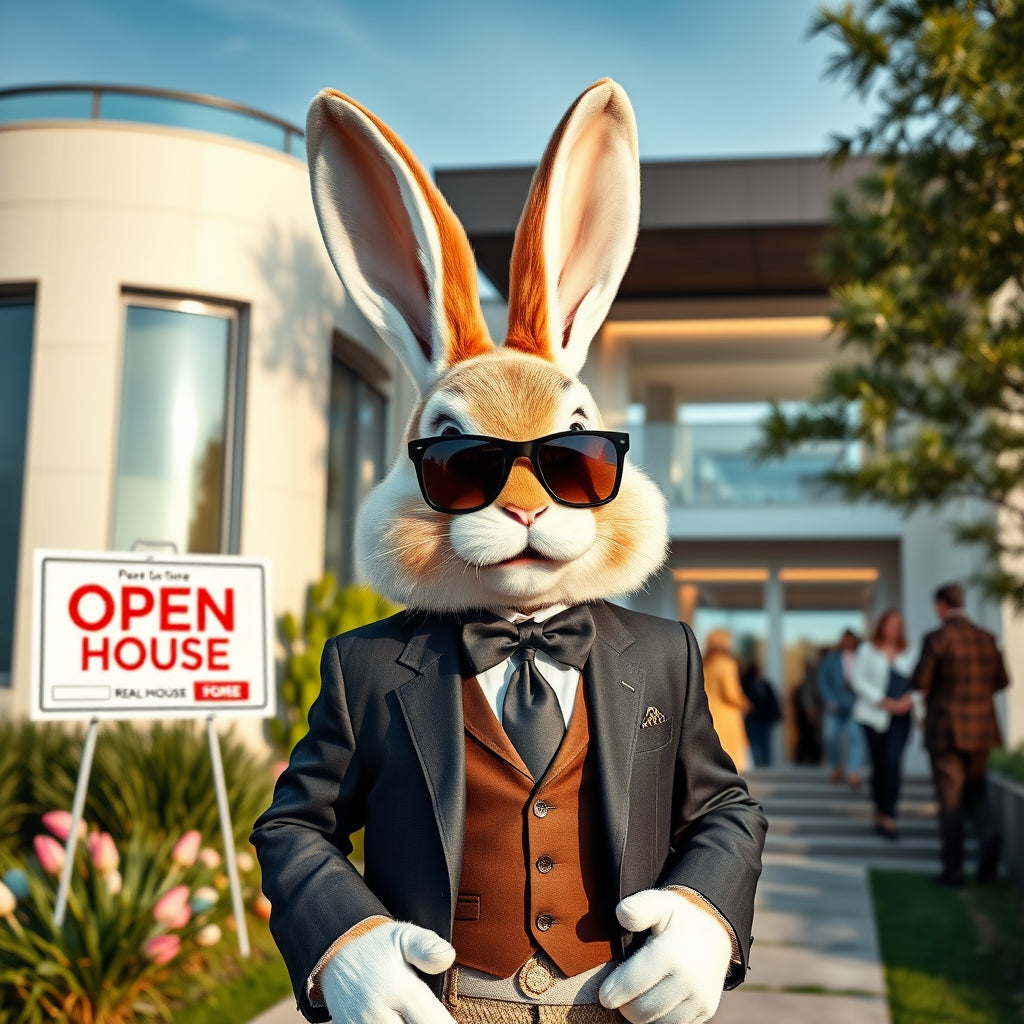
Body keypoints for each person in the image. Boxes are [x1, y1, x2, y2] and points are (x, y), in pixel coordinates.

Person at [252, 80, 766, 1024]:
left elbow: (724, 810)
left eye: (569, 462)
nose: (524, 504)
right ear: (420, 475)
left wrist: (705, 917)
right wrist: (345, 942)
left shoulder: (660, 654)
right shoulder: (367, 667)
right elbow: (295, 823)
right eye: (464, 466)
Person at [913, 582, 1010, 886]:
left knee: (950, 800)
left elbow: (921, 679)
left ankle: (952, 871)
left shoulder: (938, 638)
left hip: (946, 731)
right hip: (981, 730)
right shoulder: (987, 638)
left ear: (941, 606)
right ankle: (990, 837)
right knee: (976, 792)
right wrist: (977, 697)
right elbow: (1003, 680)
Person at [850, 610, 918, 839]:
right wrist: (882, 700)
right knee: (879, 765)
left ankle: (890, 816)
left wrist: (909, 700)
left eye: (897, 625)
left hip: (901, 717)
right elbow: (857, 680)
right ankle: (879, 811)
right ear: (882, 626)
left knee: (892, 762)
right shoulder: (867, 650)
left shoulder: (909, 652)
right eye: (890, 624)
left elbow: (920, 681)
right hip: (873, 716)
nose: (893, 629)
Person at [816, 629, 866, 787]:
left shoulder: (862, 657)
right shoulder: (832, 658)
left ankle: (853, 772)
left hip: (855, 704)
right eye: (846, 639)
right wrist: (829, 699)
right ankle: (838, 765)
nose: (848, 642)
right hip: (835, 706)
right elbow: (823, 680)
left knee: (855, 737)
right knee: (830, 736)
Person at [702, 629, 751, 772]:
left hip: (709, 714)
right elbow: (731, 694)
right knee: (730, 763)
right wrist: (745, 703)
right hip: (726, 717)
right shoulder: (727, 664)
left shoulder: (704, 663)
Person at [740, 660, 780, 767]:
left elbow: (772, 702)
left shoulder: (764, 685)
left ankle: (765, 764)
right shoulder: (749, 684)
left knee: (763, 743)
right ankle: (758, 763)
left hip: (762, 719)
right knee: (755, 743)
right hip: (753, 719)